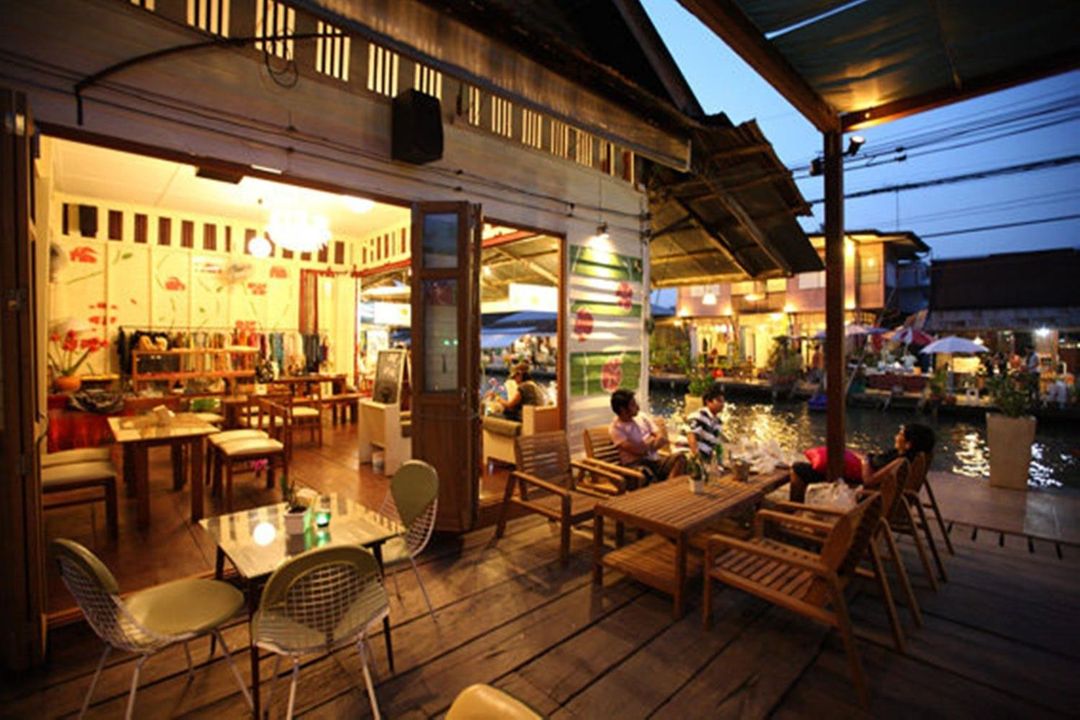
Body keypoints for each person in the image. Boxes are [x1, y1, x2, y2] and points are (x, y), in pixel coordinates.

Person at [788, 423, 936, 503]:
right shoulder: (904, 457)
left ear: (909, 444)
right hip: (857, 472)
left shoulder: (900, 462)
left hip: (857, 482)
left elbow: (869, 481)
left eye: (900, 434)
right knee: (813, 464)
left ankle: (794, 511)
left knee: (798, 469)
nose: (896, 436)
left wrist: (865, 461)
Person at [608, 389, 686, 484]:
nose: (638, 407)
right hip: (635, 466)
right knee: (645, 473)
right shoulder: (616, 429)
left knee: (680, 458)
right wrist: (652, 440)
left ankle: (668, 486)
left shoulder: (641, 416)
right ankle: (663, 489)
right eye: (633, 405)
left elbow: (661, 437)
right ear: (623, 410)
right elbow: (638, 451)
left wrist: (646, 445)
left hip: (655, 461)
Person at [687, 383, 724, 462]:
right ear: (708, 402)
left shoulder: (718, 422)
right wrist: (698, 460)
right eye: (719, 401)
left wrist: (718, 462)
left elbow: (716, 445)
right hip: (688, 456)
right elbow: (691, 436)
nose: (722, 404)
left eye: (723, 401)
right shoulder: (698, 416)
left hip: (704, 458)